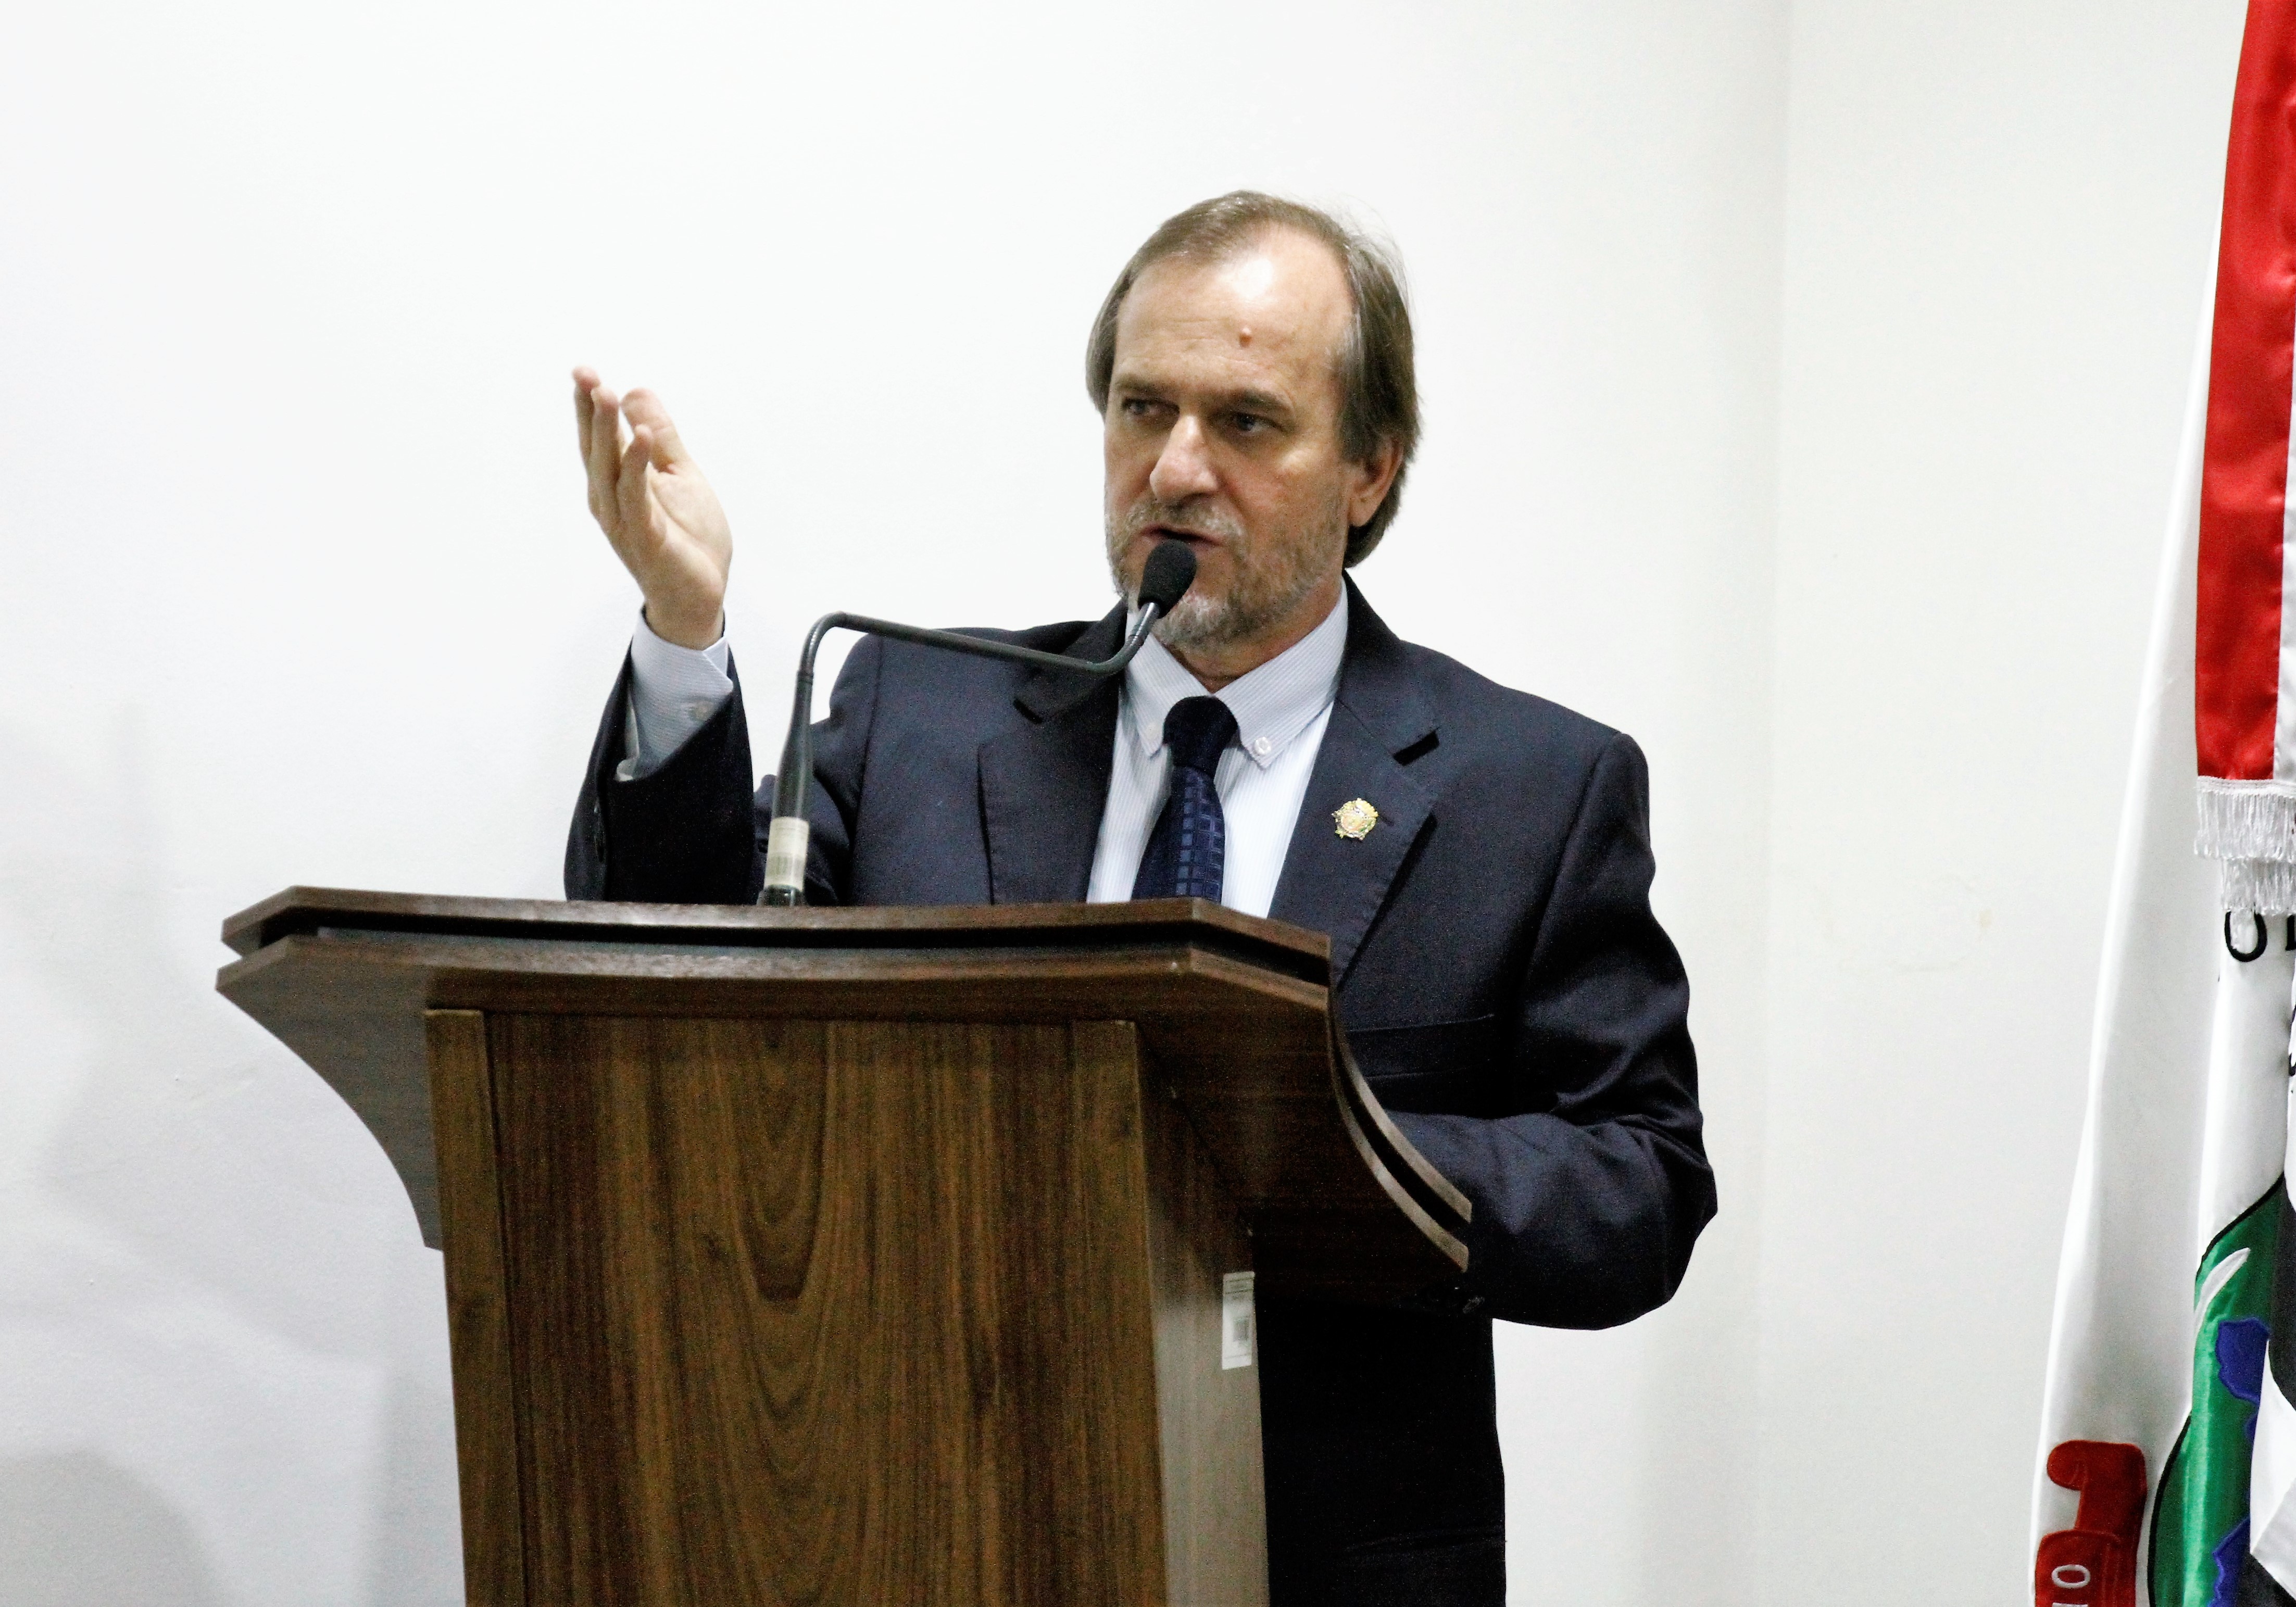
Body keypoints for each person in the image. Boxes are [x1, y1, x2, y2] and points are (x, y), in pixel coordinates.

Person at [564, 191, 1714, 1606]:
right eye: (1139, 408)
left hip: (1321, 1556)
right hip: (917, 1527)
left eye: (1245, 422)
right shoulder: (913, 712)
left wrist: (1333, 1162)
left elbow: (1642, 1183)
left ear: (1368, 469)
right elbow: (682, 993)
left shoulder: (1530, 785)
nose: (1173, 468)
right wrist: (687, 633)